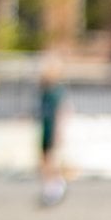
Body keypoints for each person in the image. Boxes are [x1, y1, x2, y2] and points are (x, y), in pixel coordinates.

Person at [37, 61, 69, 207]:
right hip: (45, 128)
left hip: (52, 129)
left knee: (51, 159)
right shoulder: (45, 92)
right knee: (44, 159)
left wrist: (59, 132)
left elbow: (62, 112)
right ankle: (50, 186)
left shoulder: (57, 92)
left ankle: (56, 186)